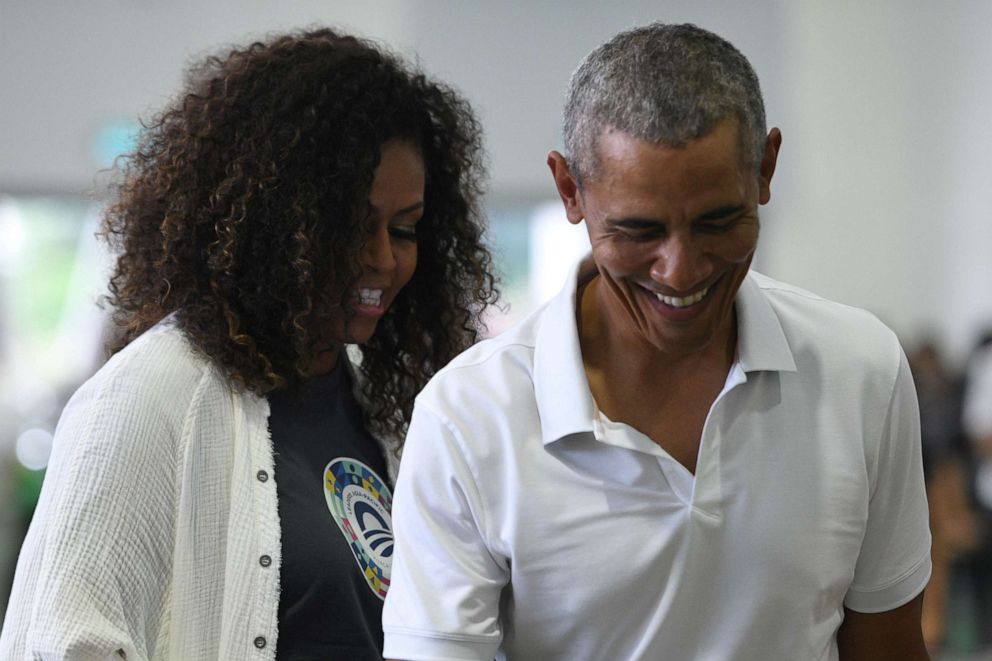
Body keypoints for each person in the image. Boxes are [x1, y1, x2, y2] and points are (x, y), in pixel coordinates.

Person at [382, 22, 931, 660]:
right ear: (569, 190)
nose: (681, 269)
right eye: (638, 231)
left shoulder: (859, 372)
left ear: (766, 168)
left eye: (717, 222)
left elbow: (888, 648)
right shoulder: (470, 417)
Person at [0, 27, 496, 660]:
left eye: (404, 230)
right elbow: (61, 644)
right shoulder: (148, 399)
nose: (381, 258)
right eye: (348, 227)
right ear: (275, 226)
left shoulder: (380, 408)